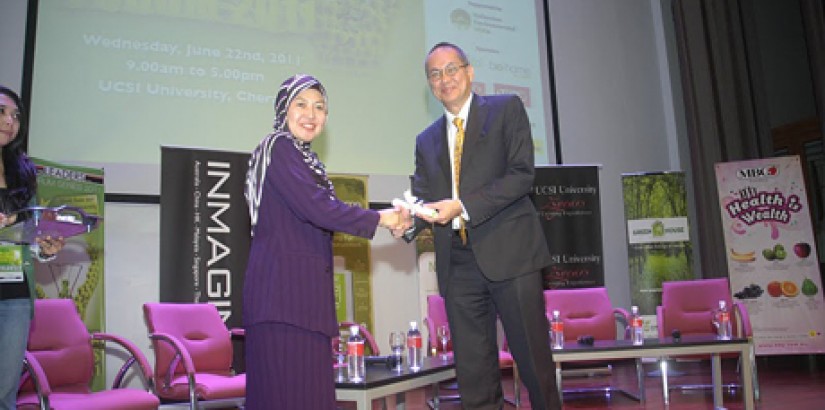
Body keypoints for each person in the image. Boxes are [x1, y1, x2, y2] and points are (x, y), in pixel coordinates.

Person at [399, 43, 561, 409]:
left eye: (451, 69)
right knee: (473, 372)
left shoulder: (505, 110)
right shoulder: (425, 140)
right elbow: (422, 197)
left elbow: (521, 175)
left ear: (470, 72)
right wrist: (406, 220)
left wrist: (463, 206)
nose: (445, 79)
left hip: (511, 254)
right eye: (435, 74)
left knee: (533, 361)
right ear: (430, 84)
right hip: (457, 263)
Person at [242, 74, 407, 409]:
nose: (311, 114)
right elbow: (318, 209)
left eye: (320, 107)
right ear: (283, 110)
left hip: (302, 303)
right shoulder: (279, 147)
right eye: (301, 104)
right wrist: (382, 218)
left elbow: (318, 212)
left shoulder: (308, 161)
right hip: (282, 302)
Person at [0, 86, 65, 410]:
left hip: (13, 296)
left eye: (15, 116)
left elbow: (28, 236)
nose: (9, 121)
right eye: (1, 112)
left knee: (5, 394)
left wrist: (47, 248)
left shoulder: (23, 172)